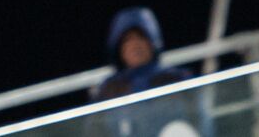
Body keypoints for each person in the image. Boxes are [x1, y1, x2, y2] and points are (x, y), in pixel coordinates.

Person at [87, 7, 205, 137]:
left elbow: (200, 123)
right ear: (118, 47)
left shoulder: (177, 79)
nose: (135, 44)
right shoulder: (108, 90)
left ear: (152, 41)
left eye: (141, 37)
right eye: (127, 40)